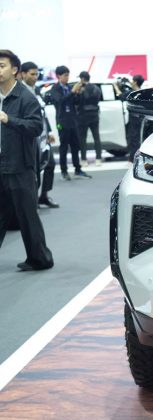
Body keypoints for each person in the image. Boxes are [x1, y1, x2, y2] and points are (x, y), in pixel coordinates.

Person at [0, 50, 54, 271]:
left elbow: (35, 127)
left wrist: (8, 119)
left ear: (14, 70)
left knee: (27, 215)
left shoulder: (25, 97)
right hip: (2, 163)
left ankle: (40, 259)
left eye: (1, 65)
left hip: (20, 165)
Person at [20, 61, 59, 208]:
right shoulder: (20, 91)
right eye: (32, 74)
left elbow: (42, 113)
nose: (35, 77)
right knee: (34, 169)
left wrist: (49, 131)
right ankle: (33, 199)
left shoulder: (36, 90)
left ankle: (44, 195)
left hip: (42, 136)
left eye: (37, 74)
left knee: (50, 164)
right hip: (30, 137)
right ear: (23, 74)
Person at [49, 65, 91, 180]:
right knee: (63, 147)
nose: (67, 78)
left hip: (73, 120)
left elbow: (77, 103)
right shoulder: (55, 88)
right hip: (62, 121)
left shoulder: (69, 87)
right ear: (58, 76)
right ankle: (64, 171)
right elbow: (60, 101)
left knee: (75, 146)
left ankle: (77, 169)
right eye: (65, 75)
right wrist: (72, 92)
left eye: (68, 75)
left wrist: (78, 93)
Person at [113, 74, 144, 162]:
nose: (131, 82)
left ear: (135, 82)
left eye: (132, 81)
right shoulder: (142, 92)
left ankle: (133, 158)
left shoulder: (132, 93)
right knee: (138, 138)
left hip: (134, 119)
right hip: (141, 118)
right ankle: (136, 157)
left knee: (133, 139)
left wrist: (115, 86)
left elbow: (121, 96)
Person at [77, 71, 102, 166]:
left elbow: (78, 101)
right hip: (94, 114)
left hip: (83, 116)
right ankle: (98, 159)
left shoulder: (81, 88)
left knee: (83, 139)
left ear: (82, 79)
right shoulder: (96, 88)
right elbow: (98, 99)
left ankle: (84, 160)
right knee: (96, 137)